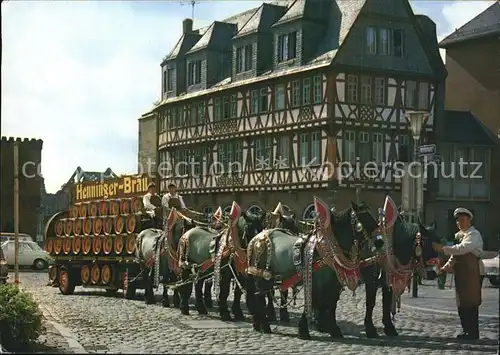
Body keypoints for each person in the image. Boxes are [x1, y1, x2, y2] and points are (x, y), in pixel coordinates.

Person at [438, 207, 483, 340]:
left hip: (472, 273)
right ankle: (466, 330)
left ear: (469, 221)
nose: (460, 223)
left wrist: (443, 249)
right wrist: (444, 268)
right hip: (461, 274)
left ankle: (473, 332)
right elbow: (455, 255)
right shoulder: (460, 236)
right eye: (458, 221)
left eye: (463, 220)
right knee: (462, 303)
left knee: (471, 303)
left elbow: (463, 249)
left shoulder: (473, 235)